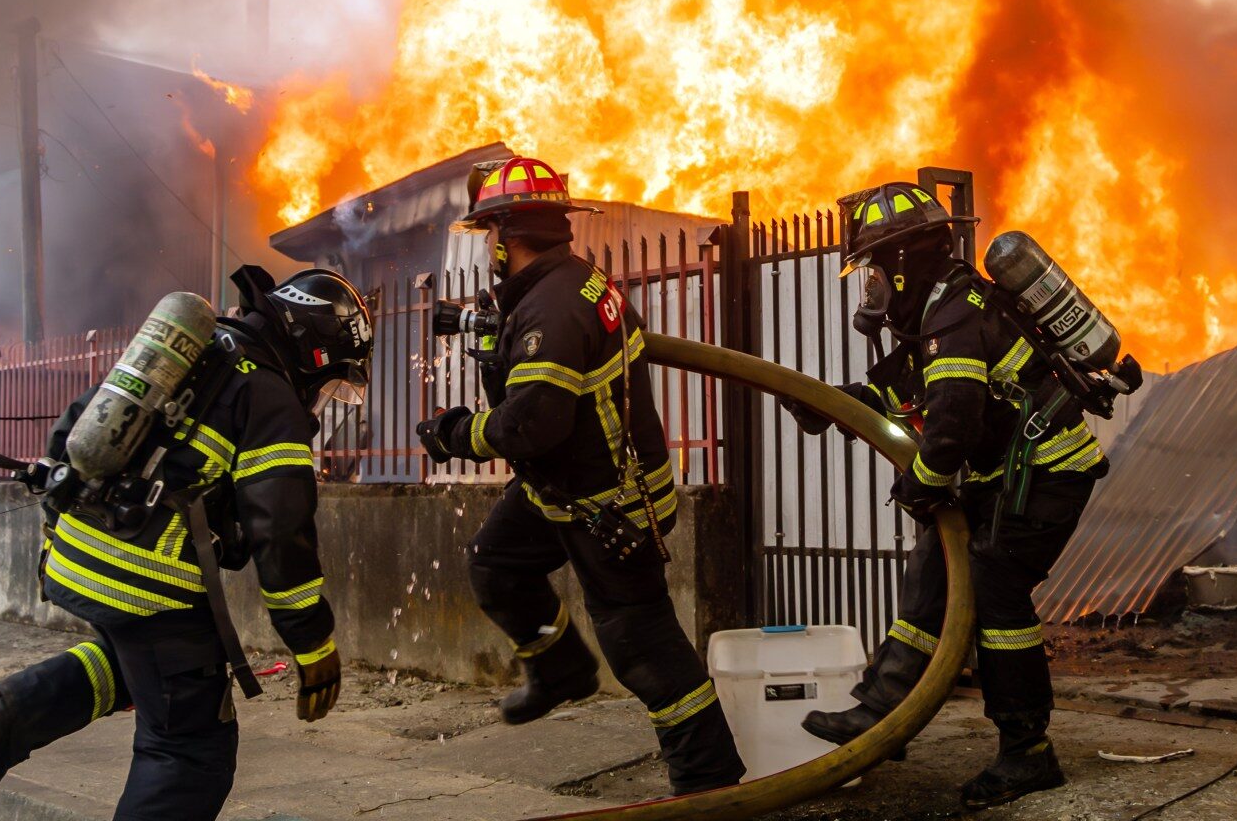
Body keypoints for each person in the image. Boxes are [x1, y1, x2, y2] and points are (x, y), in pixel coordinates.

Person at [0, 268, 373, 821]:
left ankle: (12, 715)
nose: (322, 398)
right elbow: (282, 532)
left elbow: (79, 423)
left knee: (138, 667)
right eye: (330, 382)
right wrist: (313, 643)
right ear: (313, 351)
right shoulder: (270, 398)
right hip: (150, 581)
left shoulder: (193, 351)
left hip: (77, 555)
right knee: (191, 746)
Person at [415, 156, 746, 796]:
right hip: (560, 490)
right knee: (496, 562)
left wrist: (456, 433)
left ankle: (711, 786)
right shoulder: (574, 283)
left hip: (610, 506)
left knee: (641, 647)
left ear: (508, 235)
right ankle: (561, 668)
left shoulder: (551, 309)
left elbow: (531, 426)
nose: (490, 250)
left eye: (490, 237)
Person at [785, 183, 1108, 810]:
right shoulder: (936, 313)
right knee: (931, 570)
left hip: (1046, 474)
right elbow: (911, 399)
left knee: (994, 593)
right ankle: (883, 713)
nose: (870, 285)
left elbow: (954, 421)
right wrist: (831, 405)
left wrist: (921, 486)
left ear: (902, 263)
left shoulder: (956, 313)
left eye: (873, 270)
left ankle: (1028, 752)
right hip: (1006, 479)